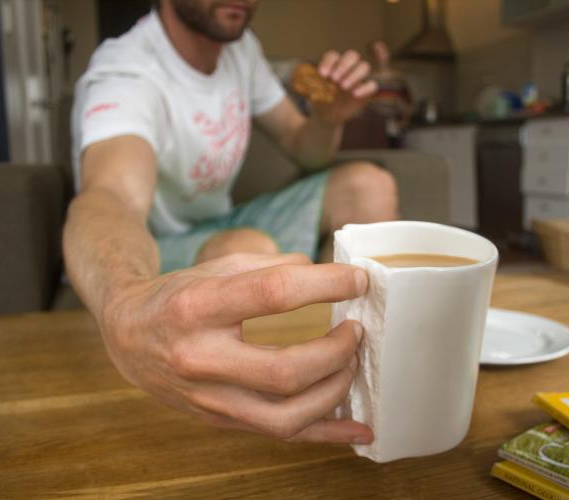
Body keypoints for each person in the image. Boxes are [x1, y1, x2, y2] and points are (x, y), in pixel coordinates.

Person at [64, 0, 400, 444]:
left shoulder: (242, 52)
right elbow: (110, 198)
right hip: (154, 243)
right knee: (248, 251)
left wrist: (326, 119)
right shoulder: (127, 71)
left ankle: (360, 369)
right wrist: (124, 304)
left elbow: (305, 150)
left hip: (221, 221)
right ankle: (291, 388)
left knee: (369, 187)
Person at [366, 40, 413, 148]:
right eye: (375, 52)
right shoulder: (367, 78)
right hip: (373, 124)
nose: (379, 56)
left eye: (382, 52)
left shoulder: (397, 77)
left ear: (387, 54)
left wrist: (405, 121)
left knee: (394, 153)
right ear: (370, 56)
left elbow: (408, 101)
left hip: (394, 123)